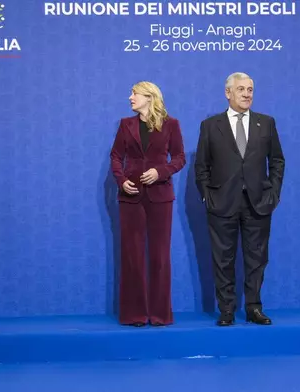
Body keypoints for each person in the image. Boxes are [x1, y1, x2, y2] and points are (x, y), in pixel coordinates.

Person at [194, 72, 285, 326]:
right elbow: (201, 166)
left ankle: (254, 308)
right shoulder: (210, 125)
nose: (247, 94)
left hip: (258, 203)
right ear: (228, 93)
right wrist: (206, 197)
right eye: (242, 89)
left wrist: (273, 193)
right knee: (223, 259)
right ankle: (227, 310)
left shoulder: (266, 123)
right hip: (221, 203)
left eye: (251, 90)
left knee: (256, 259)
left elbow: (277, 160)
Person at [110, 81, 185, 327]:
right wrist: (121, 181)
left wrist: (160, 172)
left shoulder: (171, 124)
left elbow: (179, 158)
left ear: (149, 97)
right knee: (132, 256)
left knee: (160, 256)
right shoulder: (125, 125)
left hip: (160, 196)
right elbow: (115, 157)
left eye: (135, 93)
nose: (130, 97)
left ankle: (160, 315)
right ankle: (134, 315)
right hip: (130, 197)